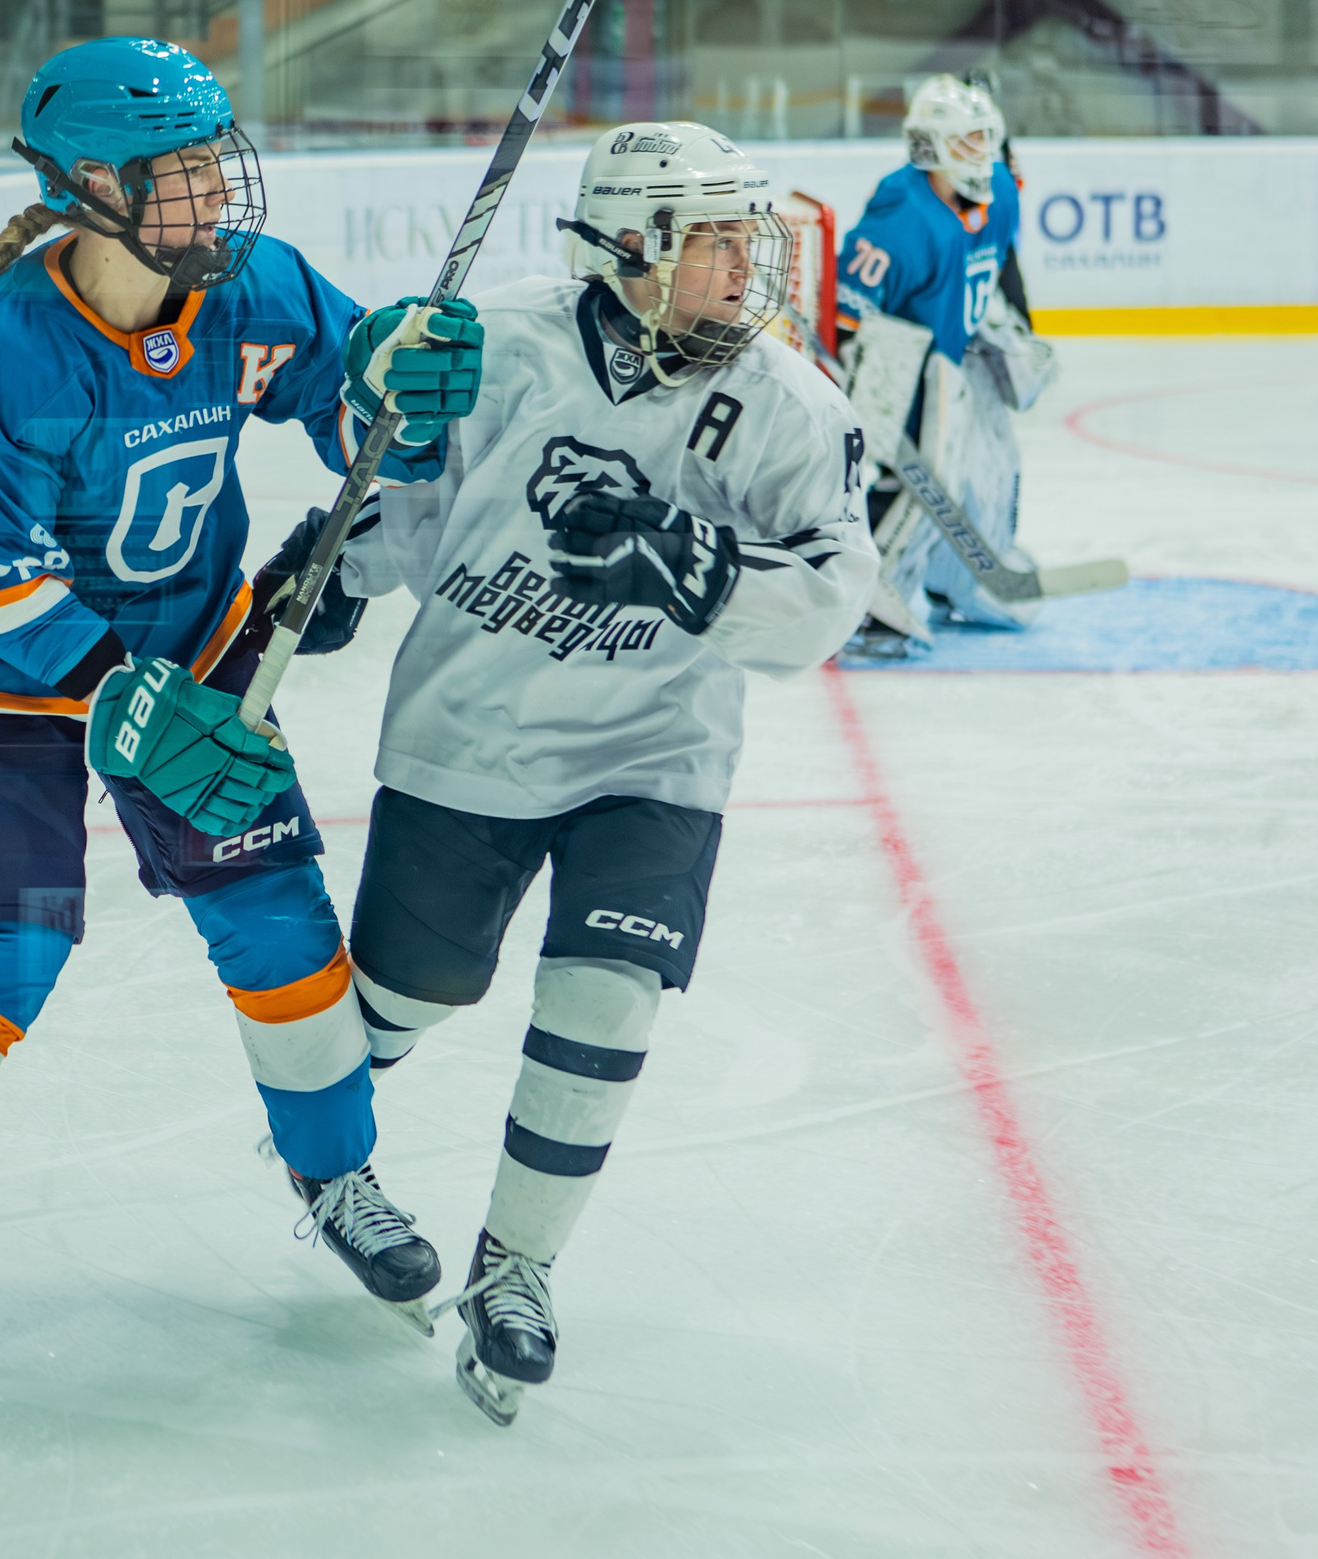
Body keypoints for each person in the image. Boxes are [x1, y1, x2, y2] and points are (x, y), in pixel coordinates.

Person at [0, 38, 487, 1441]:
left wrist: (396, 386)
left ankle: (336, 1177)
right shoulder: (5, 352)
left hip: (195, 658)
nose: (215, 189)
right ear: (91, 184)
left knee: (279, 920)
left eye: (214, 158)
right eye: (179, 169)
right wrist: (116, 693)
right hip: (6, 691)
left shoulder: (251, 287)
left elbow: (356, 418)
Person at [326, 120, 878, 1424]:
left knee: (609, 999)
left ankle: (515, 1266)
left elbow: (829, 595)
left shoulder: (791, 404)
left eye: (750, 235)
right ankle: (326, 1159)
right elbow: (408, 513)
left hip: (655, 753)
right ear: (634, 247)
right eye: (716, 240)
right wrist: (341, 538)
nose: (748, 263)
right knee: (400, 1000)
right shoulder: (496, 346)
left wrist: (698, 570)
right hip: (472, 733)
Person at [833, 74, 1054, 657]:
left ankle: (959, 583)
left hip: (959, 360)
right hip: (909, 368)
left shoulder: (1000, 188)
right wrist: (869, 393)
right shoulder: (901, 216)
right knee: (921, 485)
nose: (980, 153)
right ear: (929, 146)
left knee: (992, 472)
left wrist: (1012, 327)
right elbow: (849, 315)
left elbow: (997, 260)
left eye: (985, 138)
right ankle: (869, 606)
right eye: (965, 141)